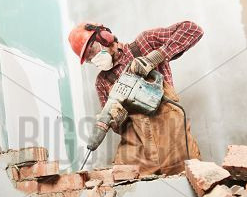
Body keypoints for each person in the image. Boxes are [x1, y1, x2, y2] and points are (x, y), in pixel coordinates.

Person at [68, 21, 204, 175]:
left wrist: (156, 57)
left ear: (104, 38)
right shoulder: (102, 81)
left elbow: (193, 30)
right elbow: (118, 127)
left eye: (91, 51)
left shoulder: (144, 43)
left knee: (190, 184)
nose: (93, 59)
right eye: (88, 59)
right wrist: (118, 120)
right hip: (139, 155)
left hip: (174, 143)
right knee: (129, 190)